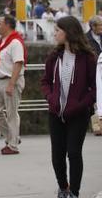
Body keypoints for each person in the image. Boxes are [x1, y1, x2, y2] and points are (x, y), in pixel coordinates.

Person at [41, 16, 97, 198]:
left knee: (74, 153)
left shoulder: (88, 58)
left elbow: (95, 87)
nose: (54, 33)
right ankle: (63, 187)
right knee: (57, 156)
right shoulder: (53, 57)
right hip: (55, 113)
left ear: (69, 32)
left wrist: (81, 105)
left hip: (78, 114)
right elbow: (46, 82)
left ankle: (74, 192)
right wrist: (51, 98)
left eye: (58, 30)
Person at [0, 15, 25, 155]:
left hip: (10, 80)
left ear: (8, 25)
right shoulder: (3, 41)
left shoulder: (15, 42)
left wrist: (11, 84)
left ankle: (13, 145)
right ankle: (12, 137)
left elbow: (18, 63)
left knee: (11, 113)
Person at [87, 16, 102, 136]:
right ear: (93, 27)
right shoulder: (86, 39)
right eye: (99, 25)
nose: (101, 28)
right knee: (96, 99)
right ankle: (97, 126)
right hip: (93, 71)